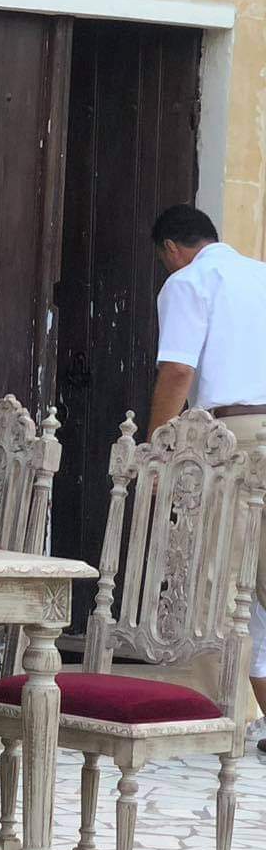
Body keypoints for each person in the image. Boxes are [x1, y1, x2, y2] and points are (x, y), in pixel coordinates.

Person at [150, 204, 266, 743]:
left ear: (172, 249)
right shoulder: (260, 275)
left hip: (234, 438)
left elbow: (177, 369)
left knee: (220, 577)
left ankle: (214, 712)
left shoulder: (189, 282)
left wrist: (159, 447)